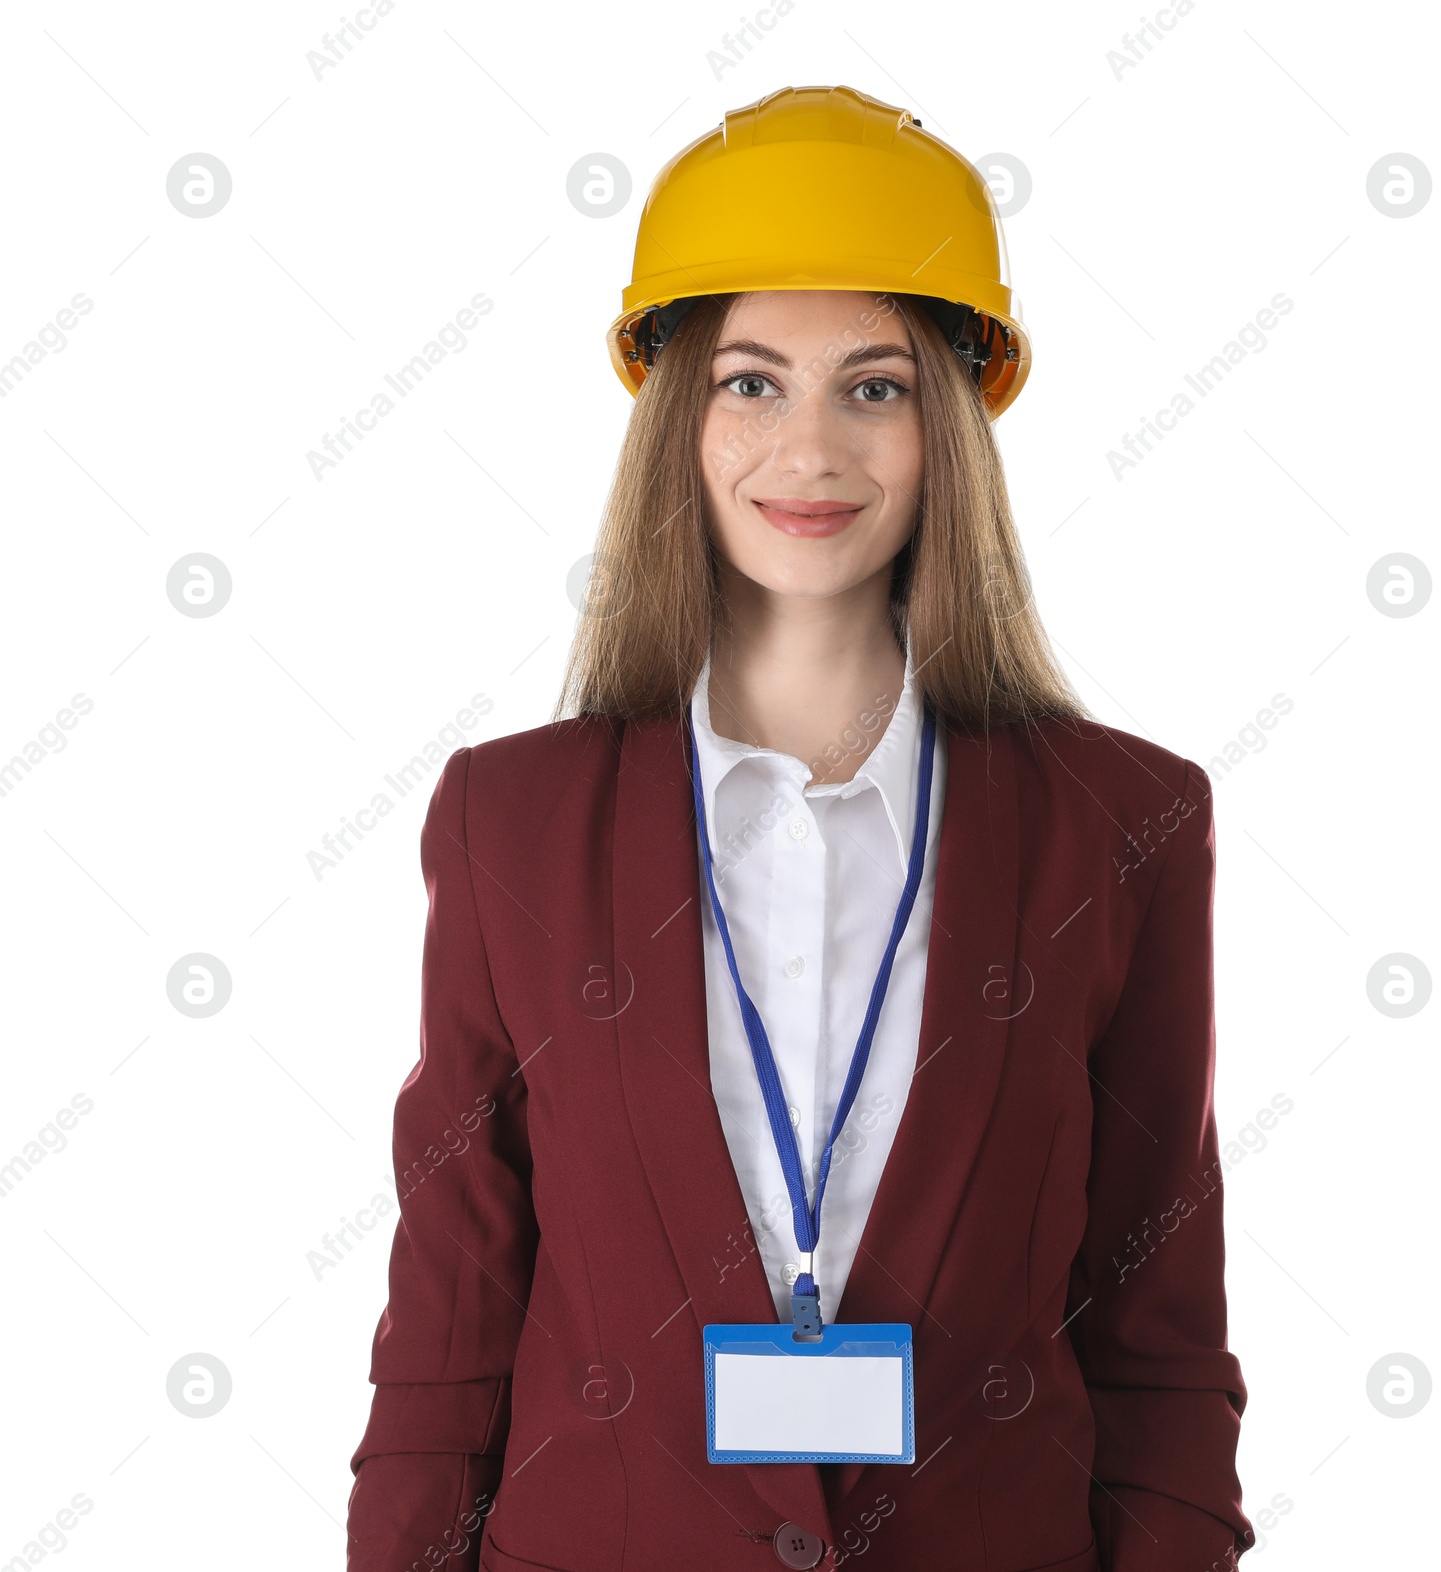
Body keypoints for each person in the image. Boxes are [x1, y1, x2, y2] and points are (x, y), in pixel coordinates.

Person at [347, 84, 1251, 1572]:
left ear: (949, 422)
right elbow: (450, 1304)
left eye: (875, 386)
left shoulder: (1128, 824)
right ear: (678, 418)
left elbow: (1159, 1325)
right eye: (751, 382)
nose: (809, 448)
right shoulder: (507, 822)